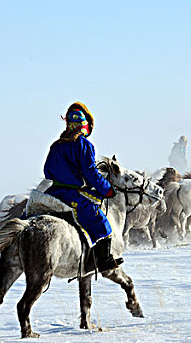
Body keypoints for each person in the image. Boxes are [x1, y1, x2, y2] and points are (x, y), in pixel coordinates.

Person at [43, 101, 123, 273]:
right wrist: (107, 189)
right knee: (101, 223)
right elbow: (91, 173)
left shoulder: (56, 145)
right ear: (85, 125)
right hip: (73, 196)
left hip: (53, 193)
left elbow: (47, 171)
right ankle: (103, 261)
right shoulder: (83, 145)